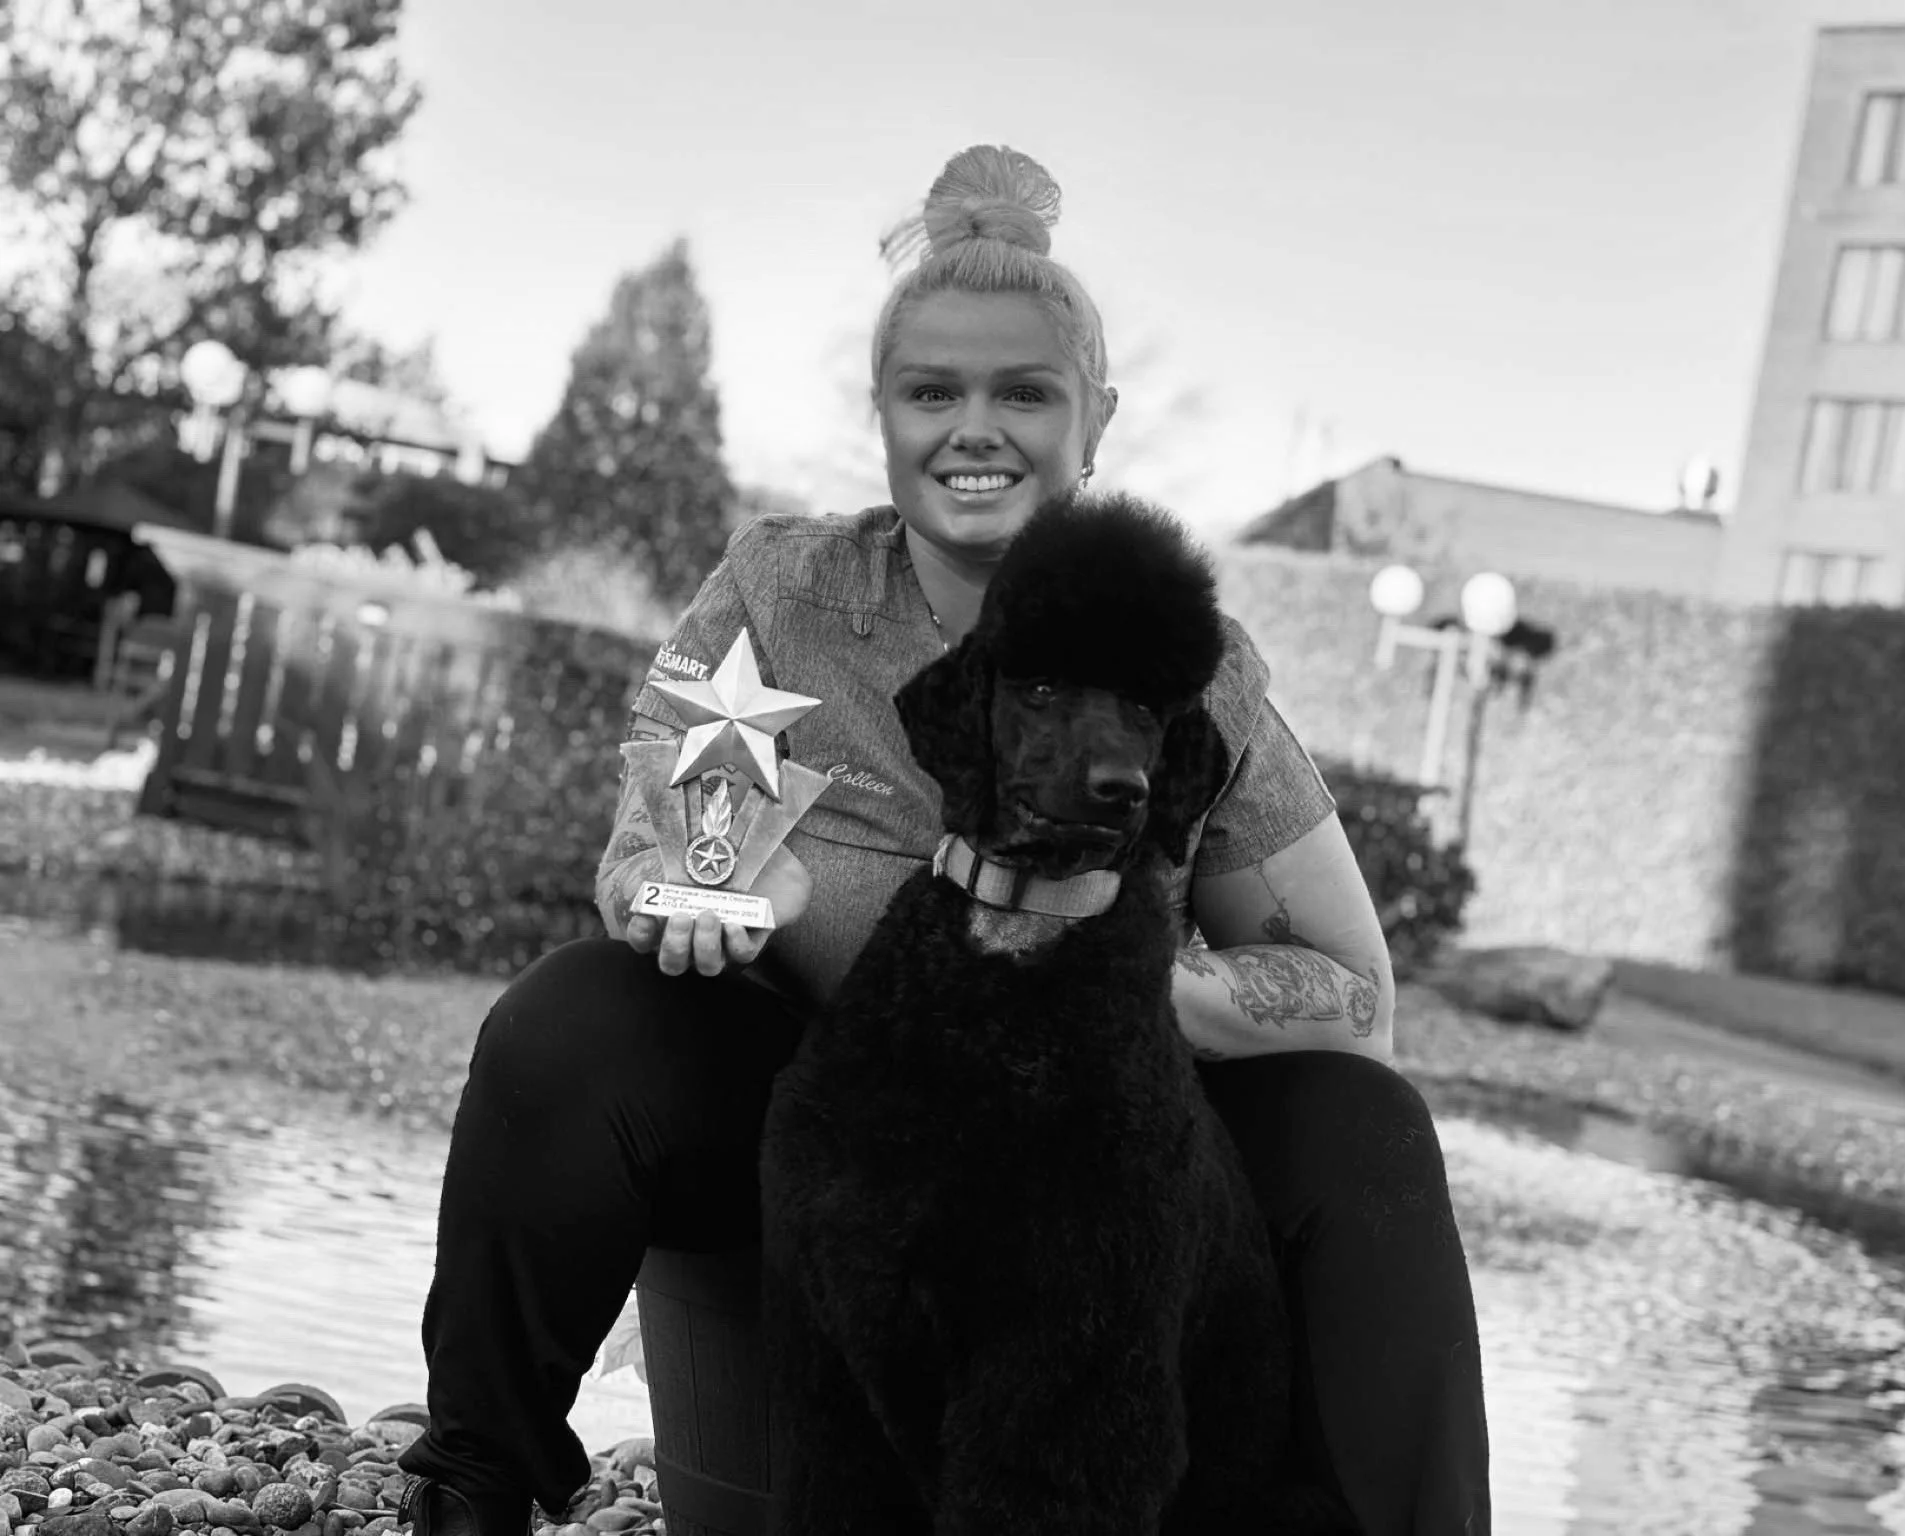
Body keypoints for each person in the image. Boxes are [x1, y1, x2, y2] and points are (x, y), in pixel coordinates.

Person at [395, 144, 1490, 1536]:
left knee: (1362, 1118)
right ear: (887, 417)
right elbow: (651, 844)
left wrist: (1117, 989)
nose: (977, 429)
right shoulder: (781, 588)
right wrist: (689, 897)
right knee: (572, 1017)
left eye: (1024, 393)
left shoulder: (1183, 653)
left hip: (1088, 1164)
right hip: (821, 1121)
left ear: (1095, 421)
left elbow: (1353, 990)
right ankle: (477, 1477)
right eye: (935, 392)